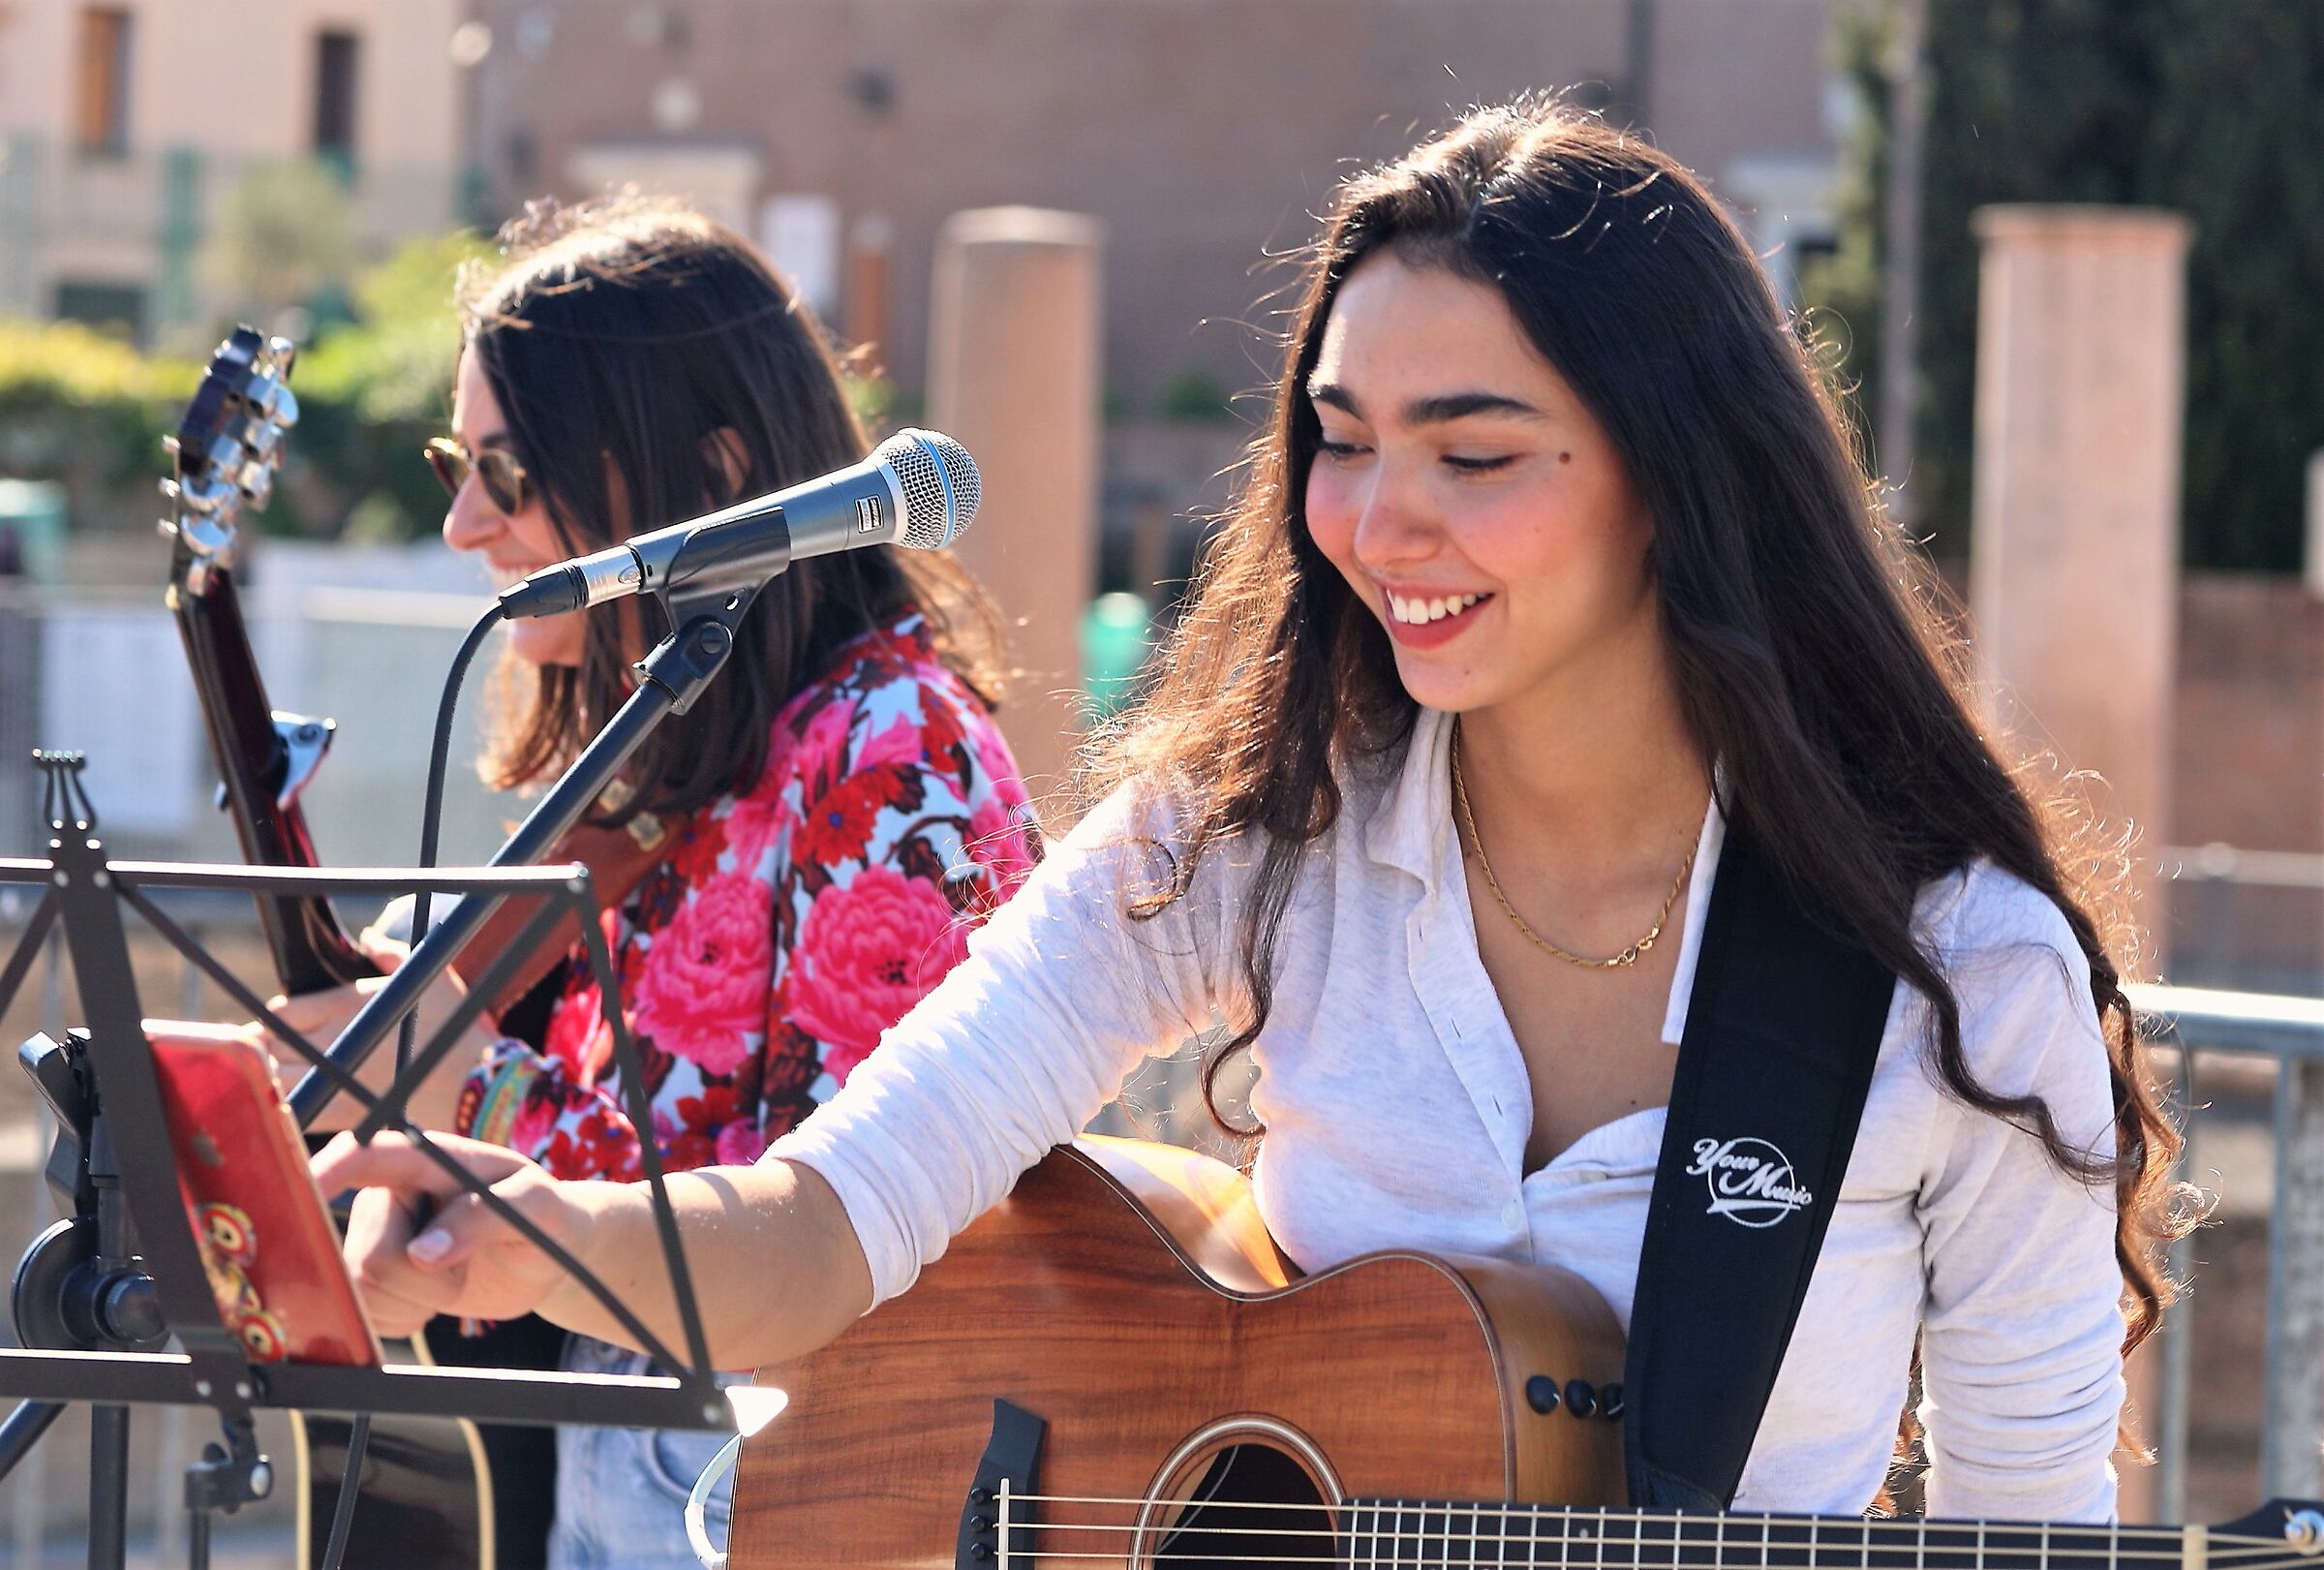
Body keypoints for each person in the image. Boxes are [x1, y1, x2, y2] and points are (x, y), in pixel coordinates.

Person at [315, 102, 2182, 1527]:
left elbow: (2031, 1523)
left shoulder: (1963, 978)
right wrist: (539, 1228)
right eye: (1340, 442)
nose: (1377, 520)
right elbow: (832, 1216)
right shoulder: (1243, 838)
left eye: (1474, 453)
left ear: (1682, 485)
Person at [269, 194, 1038, 1565]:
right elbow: (616, 1136)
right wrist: (428, 1199)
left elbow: (868, 1238)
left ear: (713, 473)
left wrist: (466, 1087)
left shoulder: (895, 756)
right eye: (457, 462)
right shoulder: (664, 752)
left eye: (508, 471)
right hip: (616, 1473)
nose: (461, 524)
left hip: (794, 1496)